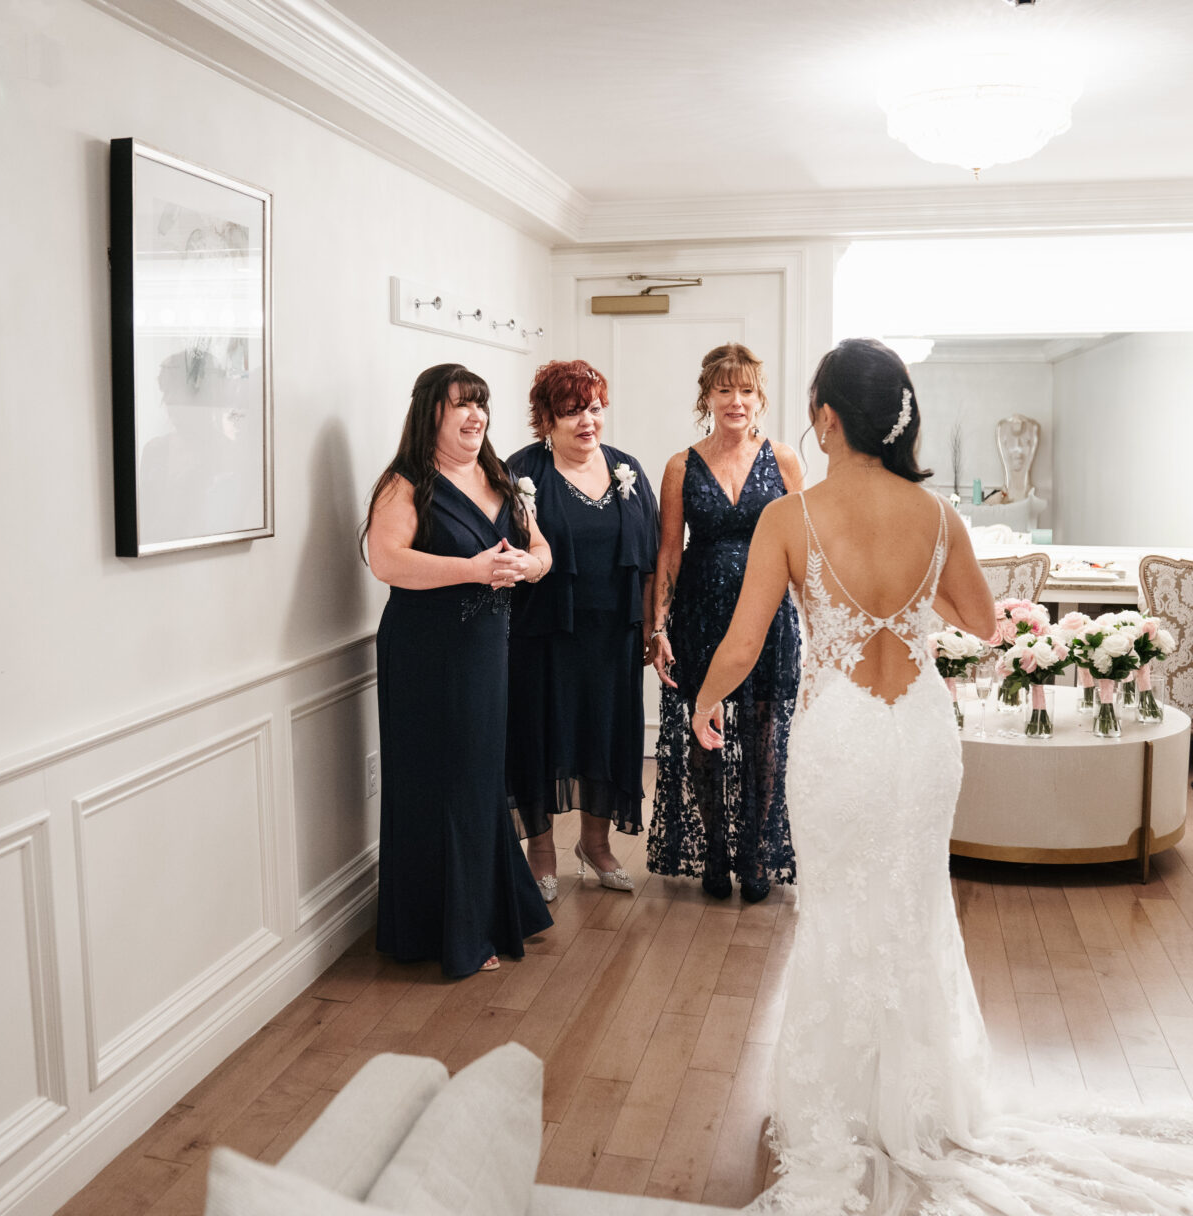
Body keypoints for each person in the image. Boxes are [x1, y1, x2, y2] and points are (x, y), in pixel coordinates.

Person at [692, 337, 1193, 1213]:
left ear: (828, 416)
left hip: (840, 736)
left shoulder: (792, 516)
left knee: (842, 906)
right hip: (920, 733)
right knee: (916, 904)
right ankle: (924, 1099)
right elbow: (982, 621)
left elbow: (741, 644)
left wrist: (704, 697)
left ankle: (839, 1104)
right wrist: (912, 611)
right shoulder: (937, 515)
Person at [364, 363, 555, 977]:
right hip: (426, 653)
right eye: (460, 406)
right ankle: (450, 928)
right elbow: (386, 562)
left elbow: (542, 550)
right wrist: (471, 570)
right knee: (441, 784)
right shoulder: (406, 482)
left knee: (478, 779)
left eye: (481, 405)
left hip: (486, 650)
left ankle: (490, 912)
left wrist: (527, 568)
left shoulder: (499, 476)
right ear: (432, 415)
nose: (476, 416)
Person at [647, 343, 803, 902]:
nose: (736, 400)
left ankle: (754, 854)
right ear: (707, 396)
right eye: (724, 389)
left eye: (746, 390)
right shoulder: (679, 466)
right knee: (703, 730)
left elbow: (805, 550)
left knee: (763, 735)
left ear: (760, 398)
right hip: (699, 614)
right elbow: (668, 554)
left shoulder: (784, 460)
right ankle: (714, 850)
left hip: (768, 617)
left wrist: (818, 621)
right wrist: (658, 627)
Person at [504, 360, 659, 901]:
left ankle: (595, 846)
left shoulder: (627, 469)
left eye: (594, 409)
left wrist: (651, 626)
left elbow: (651, 560)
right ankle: (541, 851)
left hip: (614, 633)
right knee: (540, 735)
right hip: (543, 633)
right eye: (572, 412)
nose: (587, 422)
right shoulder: (521, 473)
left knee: (607, 735)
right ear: (546, 418)